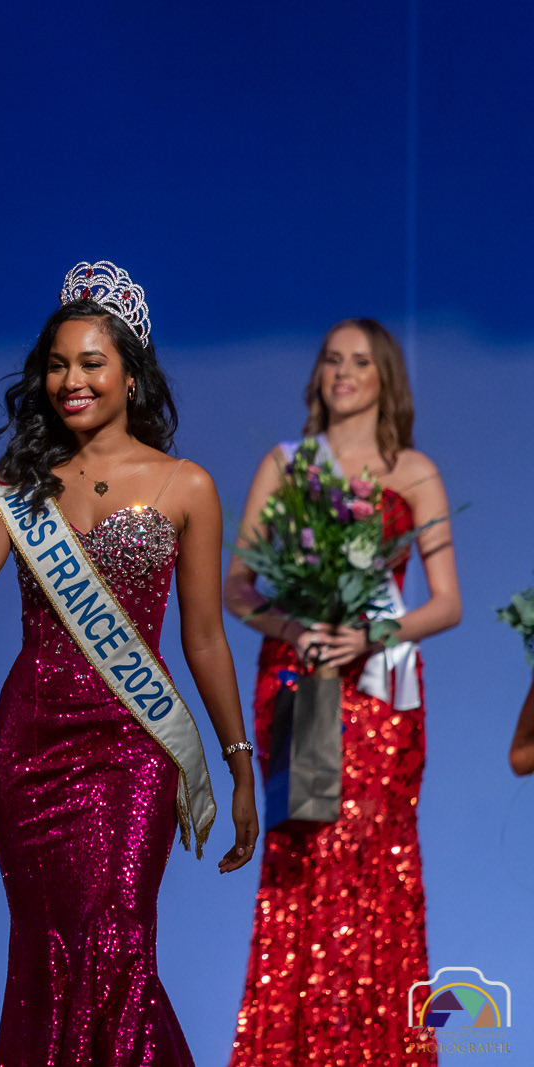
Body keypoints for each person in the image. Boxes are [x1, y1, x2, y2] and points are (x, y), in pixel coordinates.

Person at [0, 261, 259, 1065]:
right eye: (56, 364)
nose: (71, 380)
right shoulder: (18, 482)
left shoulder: (187, 485)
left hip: (133, 744)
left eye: (90, 363)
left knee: (117, 938)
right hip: (31, 748)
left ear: (131, 374)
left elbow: (205, 639)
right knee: (47, 952)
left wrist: (237, 758)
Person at [223, 319, 460, 1066]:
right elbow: (237, 586)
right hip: (299, 680)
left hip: (379, 693)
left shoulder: (413, 471)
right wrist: (296, 628)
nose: (344, 372)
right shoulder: (286, 464)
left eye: (360, 361)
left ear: (387, 376)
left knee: (374, 859)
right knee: (302, 856)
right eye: (332, 359)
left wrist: (370, 636)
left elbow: (446, 603)